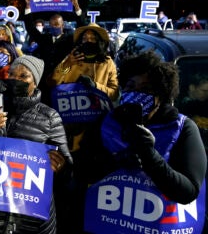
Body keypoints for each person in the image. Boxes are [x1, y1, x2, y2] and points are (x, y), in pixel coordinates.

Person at [83, 50, 207, 233]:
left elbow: (188, 191)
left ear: (161, 94)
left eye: (146, 89)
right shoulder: (106, 122)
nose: (137, 94)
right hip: (110, 224)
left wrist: (150, 156)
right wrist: (116, 161)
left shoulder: (182, 127)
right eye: (131, 86)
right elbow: (82, 173)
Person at [0, 55, 73, 234]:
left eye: (24, 76)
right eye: (12, 74)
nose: (16, 79)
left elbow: (67, 170)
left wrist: (61, 166)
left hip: (28, 220)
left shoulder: (49, 118)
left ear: (35, 82)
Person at [47, 23, 119, 233]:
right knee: (66, 185)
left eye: (92, 37)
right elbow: (52, 81)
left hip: (97, 135)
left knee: (90, 185)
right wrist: (67, 64)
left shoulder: (108, 63)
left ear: (101, 41)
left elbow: (115, 93)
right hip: (69, 133)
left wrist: (95, 86)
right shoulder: (72, 58)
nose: (88, 40)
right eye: (85, 37)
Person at [23, 0, 85, 105]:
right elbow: (31, 29)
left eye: (56, 24)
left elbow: (83, 28)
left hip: (65, 81)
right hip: (46, 81)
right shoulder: (44, 38)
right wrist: (28, 6)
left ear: (63, 24)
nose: (54, 27)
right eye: (51, 25)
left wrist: (76, 6)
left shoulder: (70, 39)